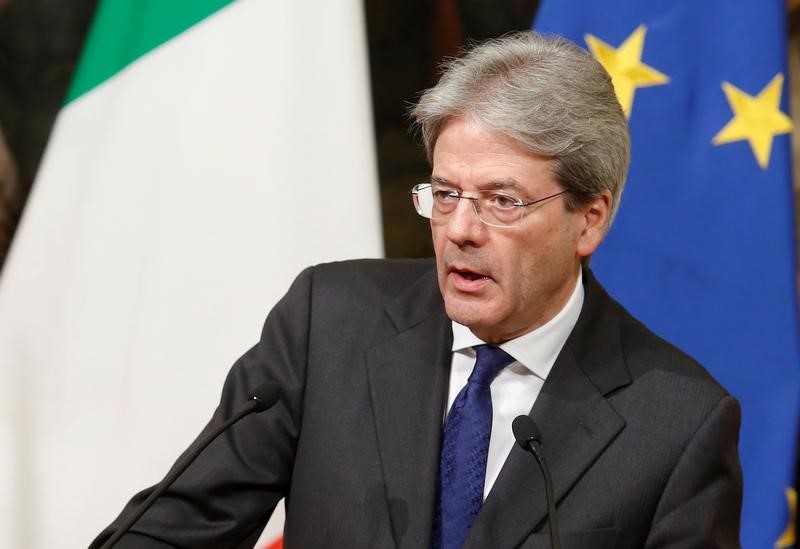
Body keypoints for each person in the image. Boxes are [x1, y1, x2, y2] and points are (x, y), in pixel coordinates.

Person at [92, 31, 742, 548]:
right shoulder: (329, 325)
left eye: (501, 201)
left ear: (589, 218)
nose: (459, 229)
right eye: (447, 193)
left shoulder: (677, 424)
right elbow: (175, 528)